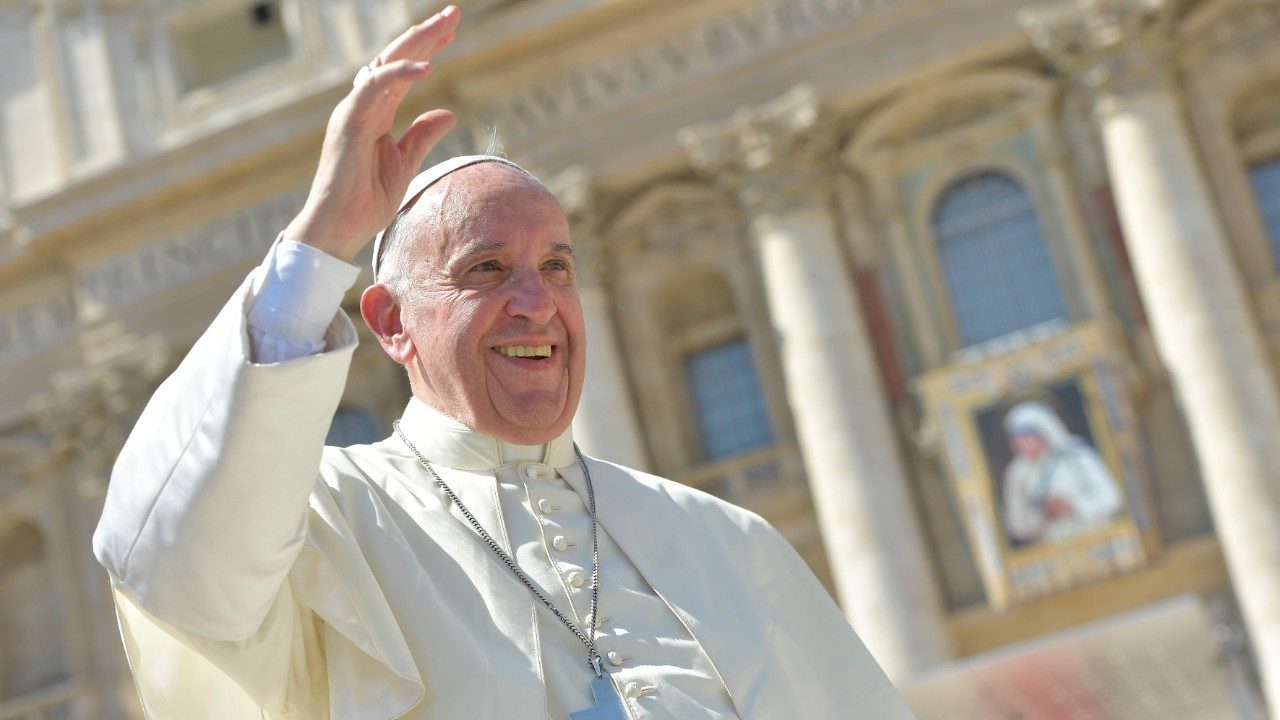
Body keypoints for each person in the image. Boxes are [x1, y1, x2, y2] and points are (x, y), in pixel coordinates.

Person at [92, 6, 915, 719]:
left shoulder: (725, 539)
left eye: (557, 268)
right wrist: (321, 242)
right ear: (390, 322)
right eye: (486, 270)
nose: (537, 302)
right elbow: (168, 555)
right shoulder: (328, 524)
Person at [1001, 400, 1125, 546]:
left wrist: (1072, 506)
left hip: (1097, 539)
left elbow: (1112, 499)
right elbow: (1016, 525)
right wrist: (1044, 515)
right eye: (1015, 438)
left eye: (1026, 436)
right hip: (1052, 548)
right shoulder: (1016, 473)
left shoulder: (1077, 454)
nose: (1020, 443)